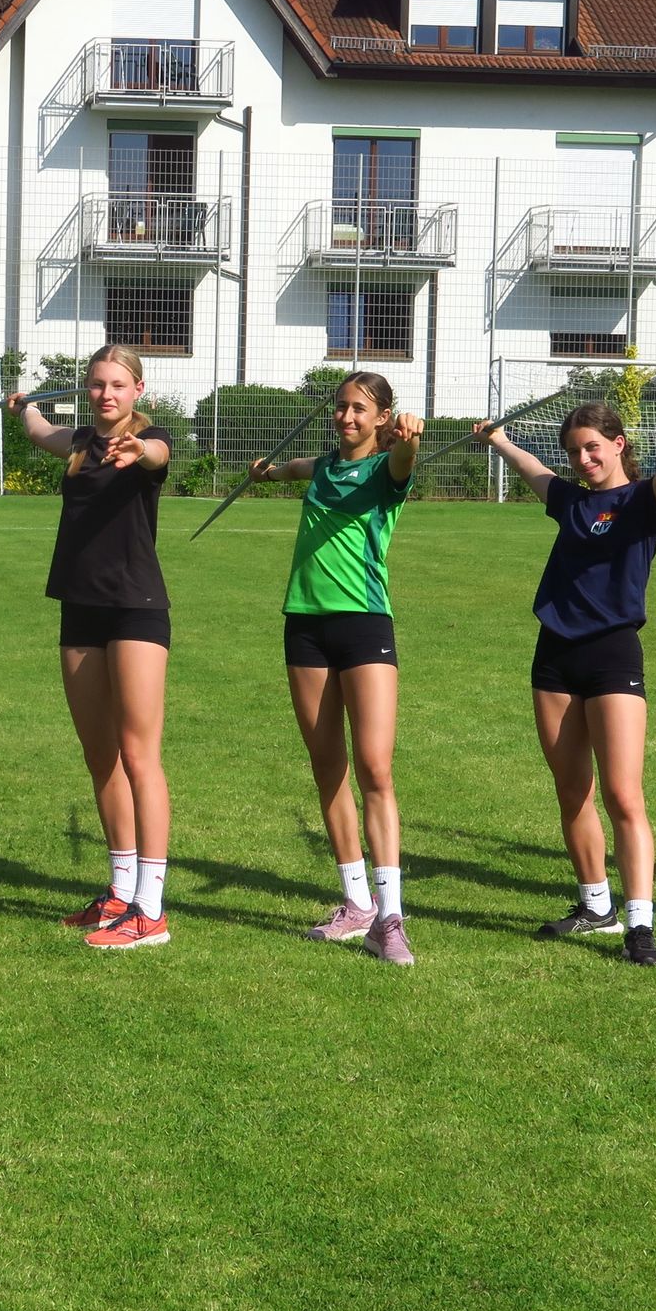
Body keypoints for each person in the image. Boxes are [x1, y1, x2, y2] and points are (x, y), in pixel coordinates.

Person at [475, 403, 656, 967]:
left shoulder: (643, 499)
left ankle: (640, 926)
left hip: (612, 656)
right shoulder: (571, 501)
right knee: (572, 790)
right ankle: (596, 905)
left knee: (624, 796)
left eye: (592, 447)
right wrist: (497, 440)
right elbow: (532, 469)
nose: (583, 459)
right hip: (554, 655)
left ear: (618, 444)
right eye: (574, 451)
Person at [248, 372, 422, 965]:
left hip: (364, 624)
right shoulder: (324, 466)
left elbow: (403, 460)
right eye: (341, 407)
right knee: (327, 766)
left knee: (374, 768)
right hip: (304, 624)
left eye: (359, 409)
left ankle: (390, 917)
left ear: (382, 417)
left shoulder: (386, 470)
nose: (346, 416)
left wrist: (410, 438)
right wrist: (268, 472)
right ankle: (356, 904)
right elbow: (301, 468)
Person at [10, 346, 175, 950]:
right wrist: (24, 407)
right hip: (79, 608)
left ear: (137, 390)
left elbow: (156, 455)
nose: (107, 394)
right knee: (100, 756)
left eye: (117, 385)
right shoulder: (80, 443)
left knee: (139, 755)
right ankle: (120, 892)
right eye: (98, 384)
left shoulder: (150, 441)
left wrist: (139, 451)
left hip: (135, 608)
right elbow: (40, 432)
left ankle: (150, 910)